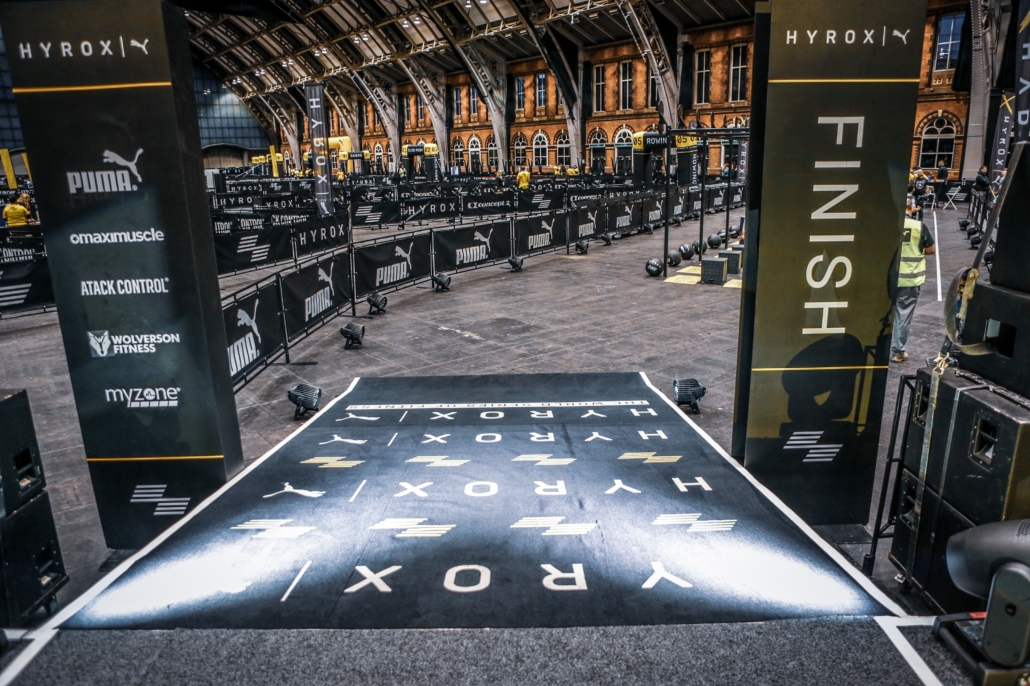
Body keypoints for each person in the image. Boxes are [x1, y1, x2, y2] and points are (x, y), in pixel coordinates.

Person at [892, 194, 936, 363]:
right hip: (909, 280)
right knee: (903, 315)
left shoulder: (889, 224)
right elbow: (931, 250)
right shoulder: (919, 226)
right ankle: (898, 352)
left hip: (887, 279)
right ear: (912, 208)